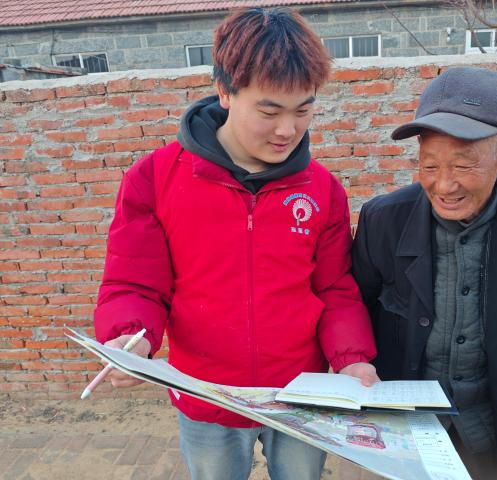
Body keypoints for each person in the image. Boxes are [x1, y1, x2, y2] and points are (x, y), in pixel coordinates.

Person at [93, 7, 378, 480]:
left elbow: (334, 289)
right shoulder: (155, 180)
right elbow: (136, 283)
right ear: (225, 91)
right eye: (269, 110)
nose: (287, 130)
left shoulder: (322, 189)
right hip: (207, 395)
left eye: (303, 110)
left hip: (300, 394)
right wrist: (130, 337)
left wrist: (353, 361)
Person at [351, 66, 497, 480]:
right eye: (429, 166)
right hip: (402, 421)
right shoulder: (383, 220)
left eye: (463, 166)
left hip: (490, 424)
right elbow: (356, 305)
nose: (444, 186)